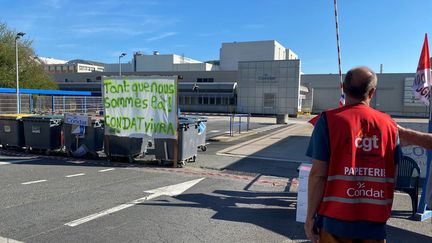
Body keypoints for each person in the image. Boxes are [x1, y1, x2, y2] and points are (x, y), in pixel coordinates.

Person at [305, 66, 401, 243]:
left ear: (343, 87)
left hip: (335, 222)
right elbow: (392, 174)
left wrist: (310, 217)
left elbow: (318, 174)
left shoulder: (328, 121)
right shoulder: (390, 126)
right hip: (375, 222)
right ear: (371, 92)